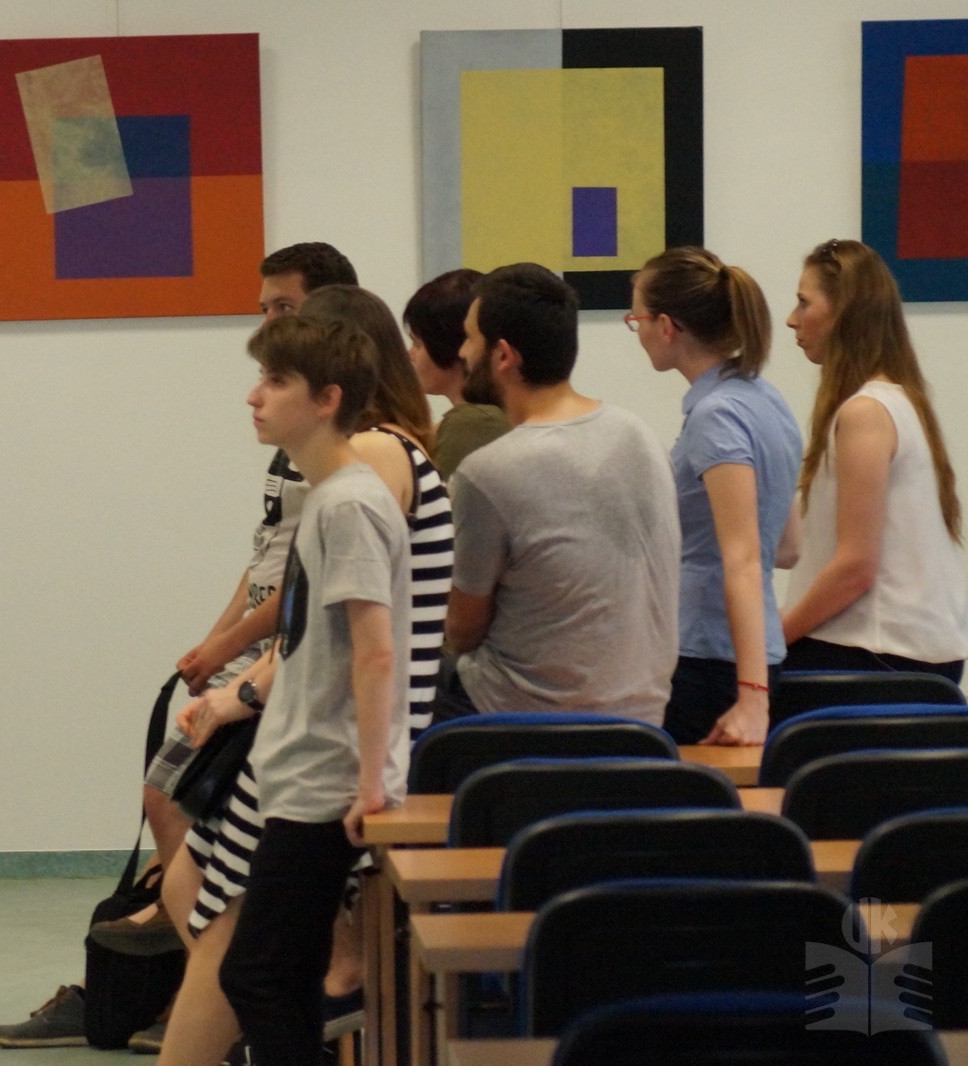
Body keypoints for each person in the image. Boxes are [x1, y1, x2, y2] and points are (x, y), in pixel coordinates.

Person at [0, 242, 358, 1053]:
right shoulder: (295, 442)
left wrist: (242, 663)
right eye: (262, 308)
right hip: (259, 651)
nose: (266, 328)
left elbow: (319, 588)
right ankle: (192, 990)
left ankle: (224, 992)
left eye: (283, 308)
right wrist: (218, 641)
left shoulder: (353, 460)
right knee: (171, 808)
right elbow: (268, 559)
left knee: (183, 812)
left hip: (287, 666)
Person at [157, 285, 443, 1065]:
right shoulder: (331, 498)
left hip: (327, 779)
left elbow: (376, 649)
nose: (255, 396)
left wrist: (373, 780)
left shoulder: (350, 504)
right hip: (306, 773)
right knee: (271, 975)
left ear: (327, 399)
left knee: (257, 974)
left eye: (276, 381)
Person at [440, 263, 680, 726]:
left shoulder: (486, 472)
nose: (463, 353)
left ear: (503, 355)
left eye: (469, 338)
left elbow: (463, 631)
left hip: (519, 720)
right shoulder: (641, 436)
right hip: (643, 717)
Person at [629, 247, 803, 745]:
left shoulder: (716, 417)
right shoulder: (765, 398)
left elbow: (743, 558)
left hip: (709, 663)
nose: (636, 332)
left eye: (636, 319)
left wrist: (752, 698)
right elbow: (787, 546)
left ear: (666, 327)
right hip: (745, 655)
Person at [780, 239, 968, 681]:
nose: (791, 319)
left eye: (804, 302)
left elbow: (855, 569)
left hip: (874, 653)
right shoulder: (902, 402)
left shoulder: (865, 412)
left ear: (844, 312)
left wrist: (770, 639)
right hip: (908, 653)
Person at [402, 269, 509, 479]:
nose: (410, 354)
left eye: (417, 343)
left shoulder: (471, 423)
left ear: (448, 345)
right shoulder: (467, 422)